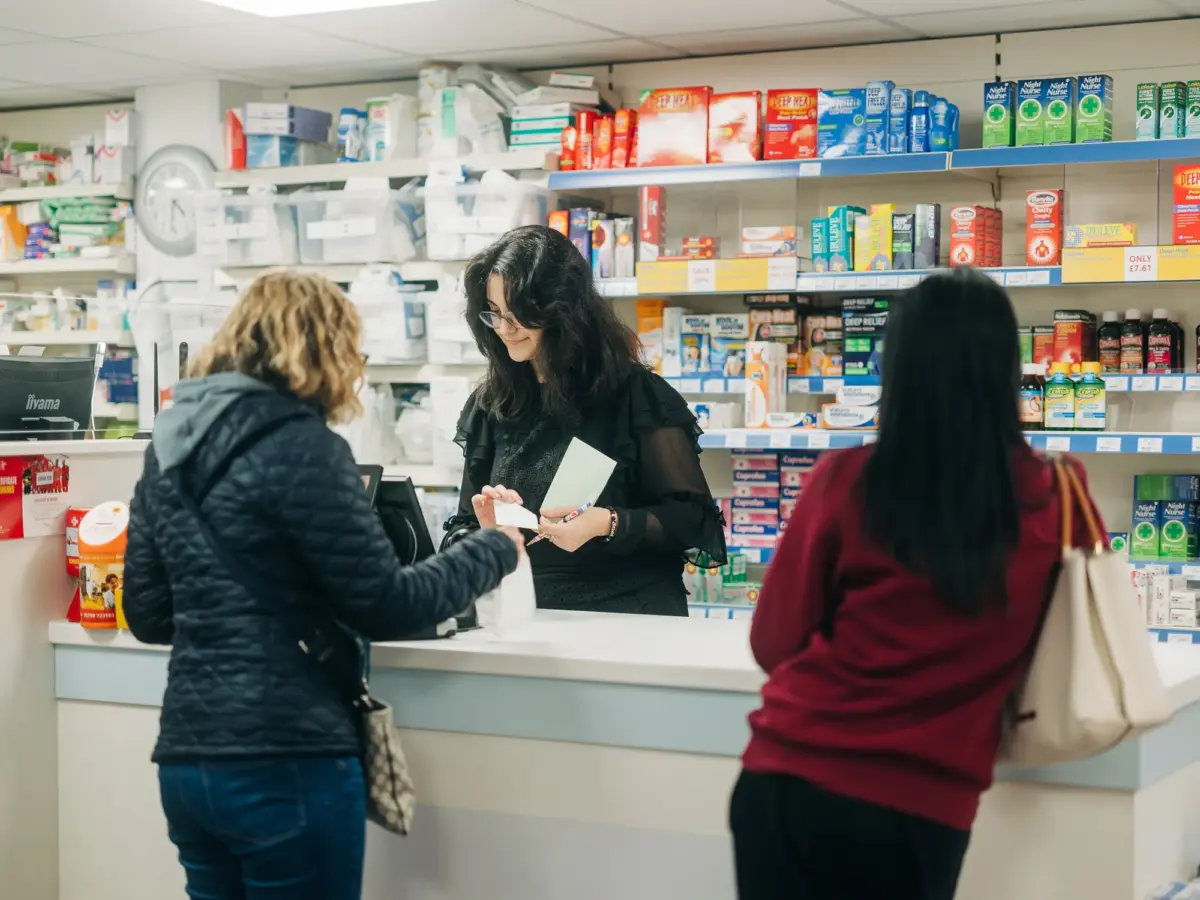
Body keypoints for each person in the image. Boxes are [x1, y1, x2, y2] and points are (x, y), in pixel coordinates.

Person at [122, 270, 524, 900]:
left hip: (186, 762)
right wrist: (495, 548)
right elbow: (388, 605)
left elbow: (147, 614)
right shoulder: (306, 447)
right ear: (325, 351)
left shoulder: (168, 449)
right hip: (286, 759)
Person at [729, 268, 1104, 900]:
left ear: (897, 370)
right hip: (923, 808)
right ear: (1007, 372)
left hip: (790, 781)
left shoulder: (847, 480)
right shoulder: (1058, 495)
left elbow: (774, 643)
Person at [444, 224, 726, 616]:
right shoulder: (491, 404)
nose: (505, 330)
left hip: (629, 614)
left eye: (519, 316)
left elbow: (694, 523)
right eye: (496, 314)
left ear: (561, 311)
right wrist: (488, 532)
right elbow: (460, 528)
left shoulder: (636, 396)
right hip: (528, 615)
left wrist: (606, 523)